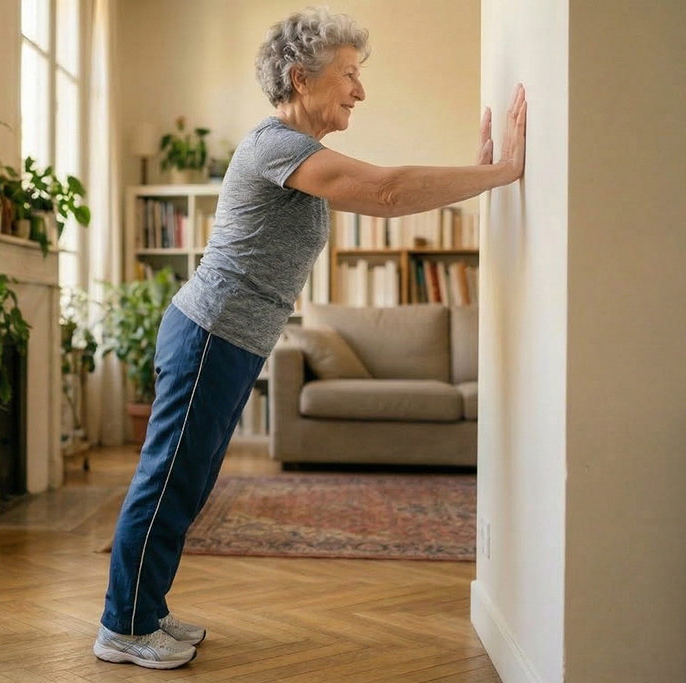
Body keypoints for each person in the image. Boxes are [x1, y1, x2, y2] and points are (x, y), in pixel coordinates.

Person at [94, 6, 526, 670]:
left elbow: (389, 189)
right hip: (209, 332)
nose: (359, 89)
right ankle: (121, 625)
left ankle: (144, 609)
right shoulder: (276, 147)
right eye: (349, 74)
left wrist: (476, 176)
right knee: (170, 478)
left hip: (227, 339)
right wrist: (497, 174)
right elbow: (386, 192)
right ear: (301, 78)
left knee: (191, 479)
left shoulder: (299, 153)